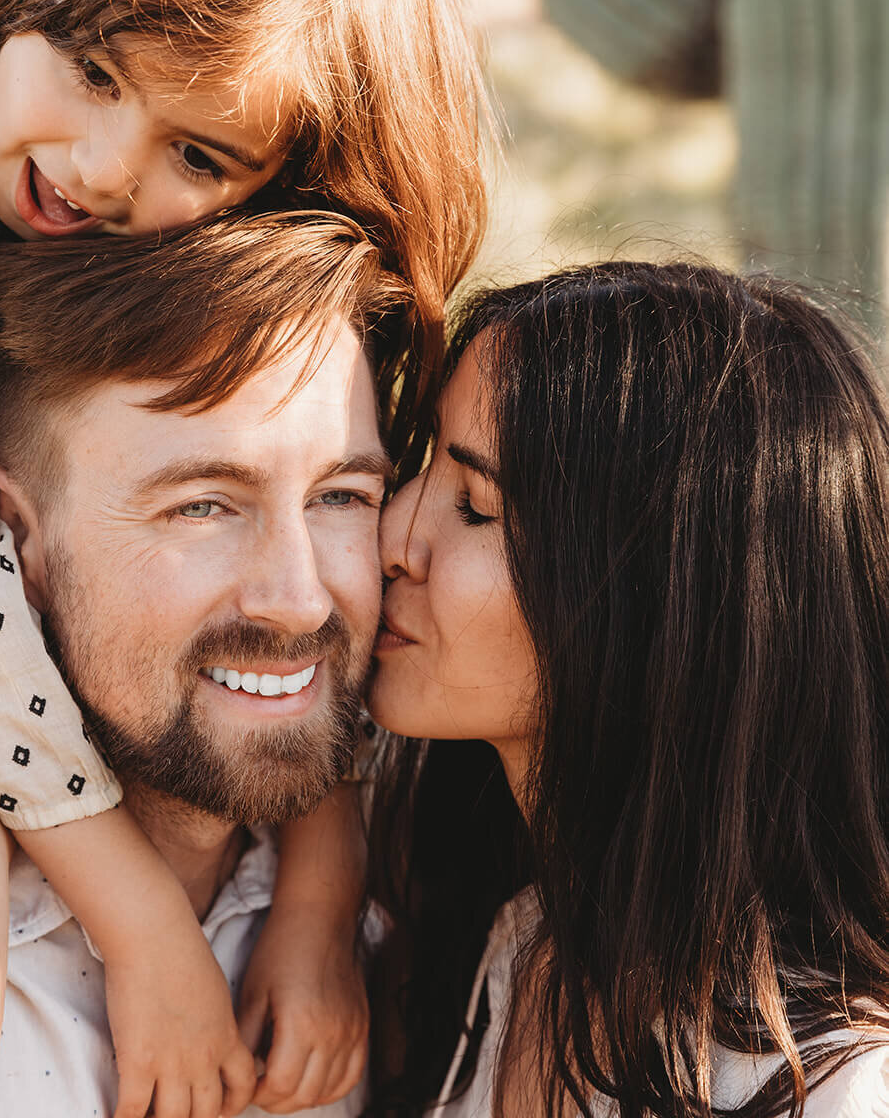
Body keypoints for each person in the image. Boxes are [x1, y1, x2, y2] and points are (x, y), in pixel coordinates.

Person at [0, 0, 489, 1118]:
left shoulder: (164, 247)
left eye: (200, 156)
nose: (109, 169)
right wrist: (146, 936)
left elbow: (294, 621)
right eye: (94, 70)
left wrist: (315, 901)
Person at [0, 209, 403, 1117]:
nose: (299, 599)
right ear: (10, 540)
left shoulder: (412, 904)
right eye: (202, 507)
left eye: (341, 495)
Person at [367, 263, 889, 1118]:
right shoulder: (516, 949)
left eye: (472, 505)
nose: (392, 536)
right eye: (421, 466)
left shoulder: (830, 1091)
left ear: (657, 602)